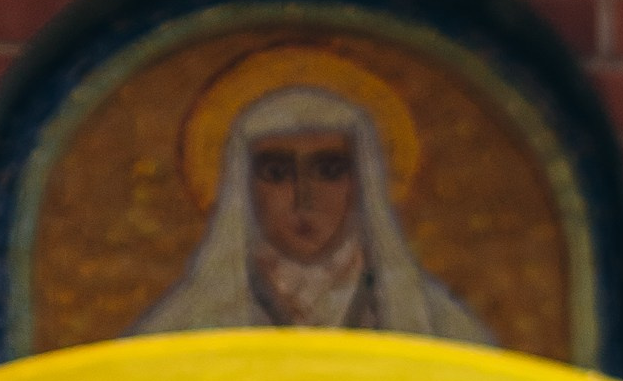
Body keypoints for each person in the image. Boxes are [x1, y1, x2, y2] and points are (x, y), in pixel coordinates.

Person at [136, 82, 495, 340]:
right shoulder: (179, 329)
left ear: (362, 183)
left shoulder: (435, 323)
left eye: (329, 171)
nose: (304, 198)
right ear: (243, 187)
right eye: (276, 173)